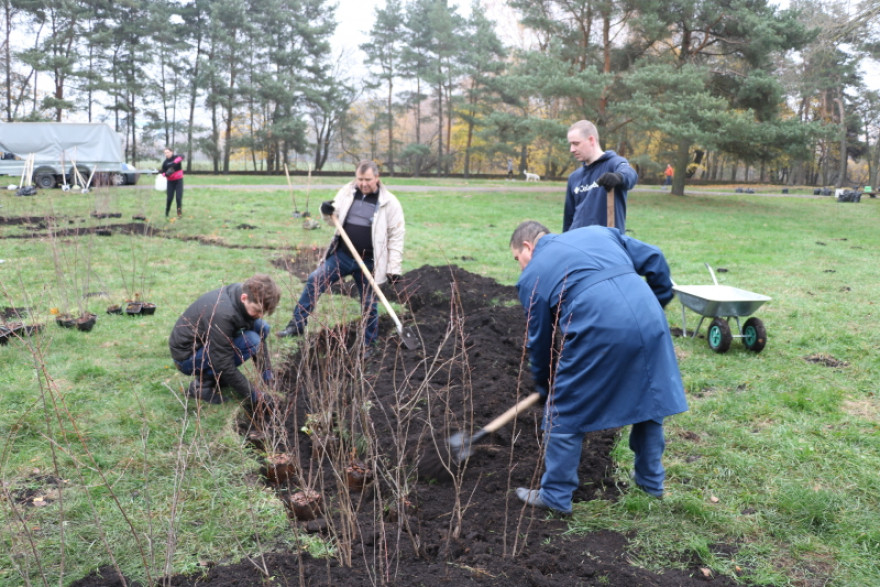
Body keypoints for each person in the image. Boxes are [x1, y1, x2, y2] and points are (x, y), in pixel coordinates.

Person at [509, 220, 688, 514]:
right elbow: (654, 258)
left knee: (563, 412)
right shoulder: (599, 232)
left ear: (527, 247)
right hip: (649, 317)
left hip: (599, 326)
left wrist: (545, 387)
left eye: (518, 259)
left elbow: (539, 342)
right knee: (649, 397)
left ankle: (555, 495)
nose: (521, 267)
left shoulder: (533, 277)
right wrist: (656, 303)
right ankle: (650, 483)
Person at [277, 160, 405, 348]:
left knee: (369, 302)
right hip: (342, 255)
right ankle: (296, 325)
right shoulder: (347, 192)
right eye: (360, 179)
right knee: (315, 280)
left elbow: (396, 236)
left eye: (367, 179)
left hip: (370, 261)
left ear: (377, 177)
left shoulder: (389, 203)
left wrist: (393, 268)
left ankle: (369, 343)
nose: (363, 184)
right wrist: (325, 211)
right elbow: (332, 218)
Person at [169, 273, 281, 407]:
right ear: (244, 298)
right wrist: (255, 395)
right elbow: (222, 361)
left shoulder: (242, 293)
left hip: (206, 344)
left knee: (262, 327)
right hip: (187, 357)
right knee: (251, 341)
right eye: (257, 311)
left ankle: (265, 377)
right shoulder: (223, 314)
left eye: (263, 312)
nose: (260, 315)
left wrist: (267, 377)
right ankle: (200, 387)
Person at [563, 120, 638, 233]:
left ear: (591, 140)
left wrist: (618, 177)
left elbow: (630, 174)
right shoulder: (574, 177)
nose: (572, 149)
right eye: (571, 144)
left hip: (605, 244)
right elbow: (568, 219)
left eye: (576, 143)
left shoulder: (614, 164)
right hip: (578, 244)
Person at [161, 148, 184, 218]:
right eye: (165, 153)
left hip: (178, 181)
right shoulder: (165, 163)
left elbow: (182, 156)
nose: (167, 154)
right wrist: (166, 174)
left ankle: (179, 213)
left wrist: (176, 161)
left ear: (172, 152)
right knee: (169, 198)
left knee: (178, 198)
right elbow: (162, 172)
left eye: (168, 152)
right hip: (170, 182)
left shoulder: (176, 157)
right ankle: (167, 212)